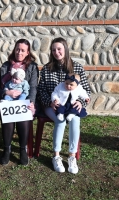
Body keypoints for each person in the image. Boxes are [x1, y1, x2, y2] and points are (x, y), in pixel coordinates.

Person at [37, 37, 91, 174]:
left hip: (72, 105)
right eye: (53, 50)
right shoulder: (46, 69)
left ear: (65, 50)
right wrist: (49, 102)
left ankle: (72, 156)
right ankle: (56, 155)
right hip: (52, 105)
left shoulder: (77, 67)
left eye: (59, 49)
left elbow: (86, 90)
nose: (56, 52)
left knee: (75, 119)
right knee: (60, 120)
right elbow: (41, 90)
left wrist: (81, 102)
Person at [0, 39, 39, 166]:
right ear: (14, 49)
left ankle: (22, 149)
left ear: (28, 52)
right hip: (6, 99)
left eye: (23, 50)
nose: (19, 52)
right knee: (7, 116)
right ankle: (7, 149)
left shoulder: (32, 67)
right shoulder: (5, 66)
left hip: (24, 101)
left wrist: (31, 102)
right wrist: (7, 93)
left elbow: (33, 87)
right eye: (17, 49)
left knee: (23, 117)